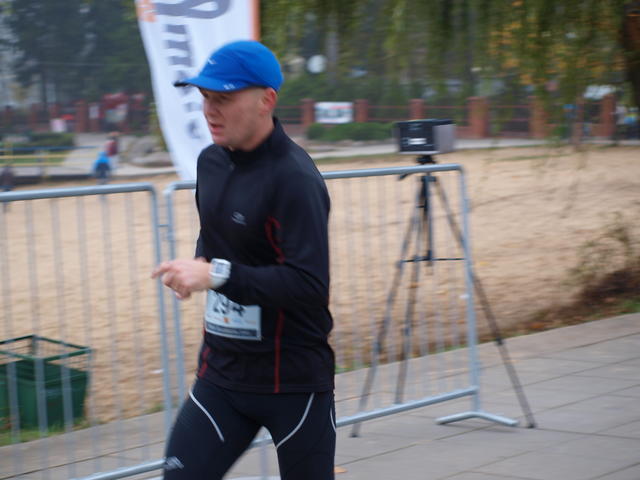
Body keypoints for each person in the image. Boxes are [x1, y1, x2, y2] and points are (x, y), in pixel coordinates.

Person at [151, 40, 335, 480]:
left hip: (292, 381)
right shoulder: (210, 163)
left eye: (224, 98)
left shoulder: (295, 178)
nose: (210, 111)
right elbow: (216, 234)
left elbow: (309, 286)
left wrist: (215, 275)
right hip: (223, 375)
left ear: (266, 100)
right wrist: (197, 265)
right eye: (205, 97)